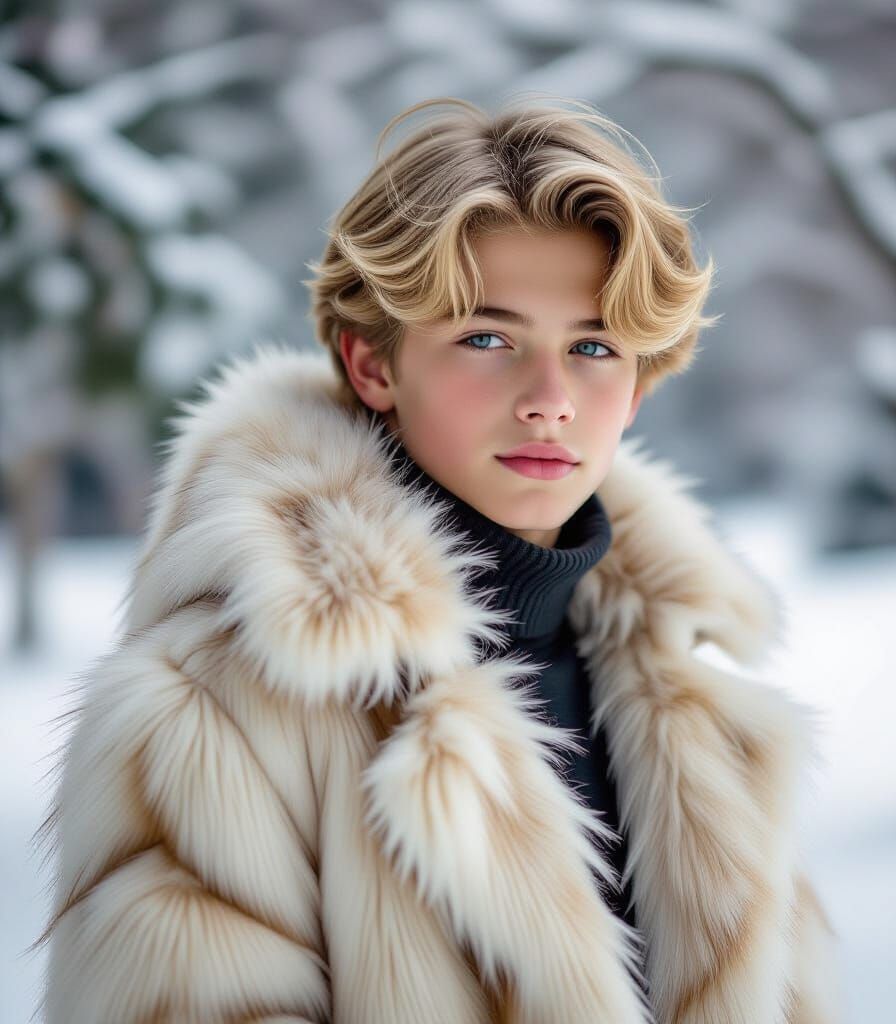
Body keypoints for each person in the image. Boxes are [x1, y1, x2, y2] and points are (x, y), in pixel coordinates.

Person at [33, 95, 840, 1023]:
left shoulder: (692, 700)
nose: (550, 399)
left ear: (640, 385)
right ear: (374, 364)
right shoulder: (210, 708)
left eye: (592, 347)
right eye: (487, 339)